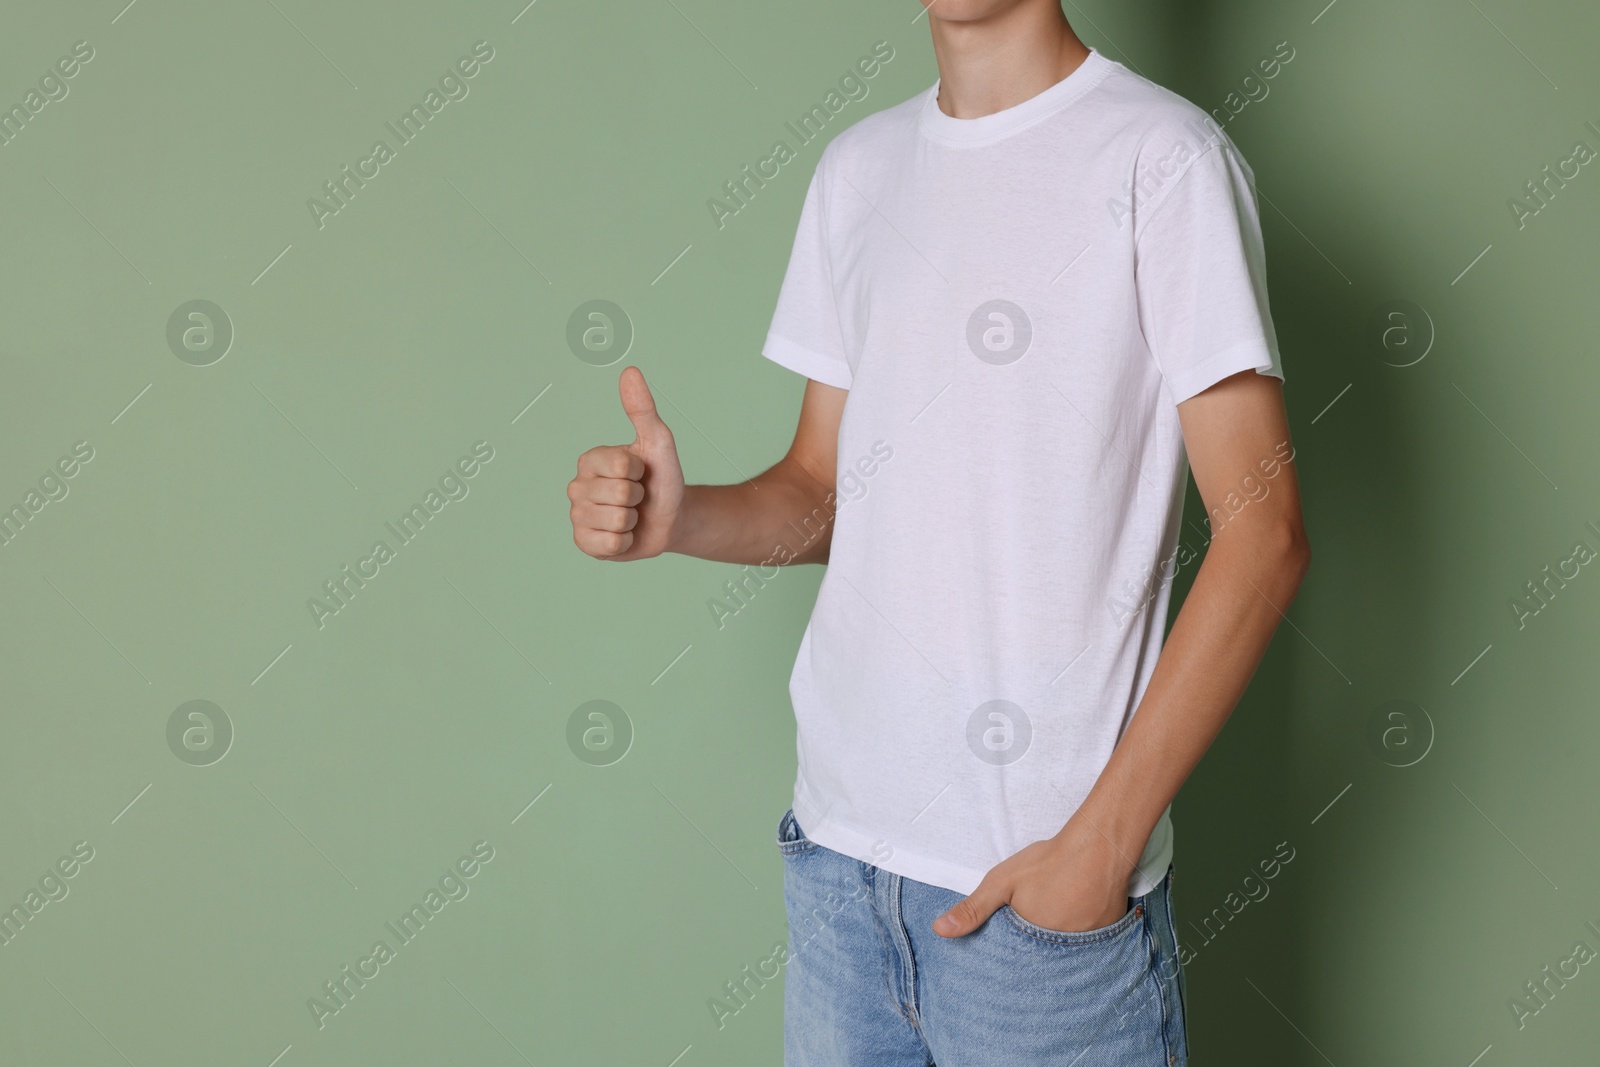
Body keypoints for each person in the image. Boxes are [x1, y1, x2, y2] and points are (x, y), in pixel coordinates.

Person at [566, 1, 1310, 1062]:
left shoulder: (1165, 158)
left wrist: (1097, 848)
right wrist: (682, 518)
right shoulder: (858, 170)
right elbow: (822, 486)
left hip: (1043, 905)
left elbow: (1265, 530)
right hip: (838, 869)